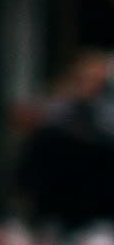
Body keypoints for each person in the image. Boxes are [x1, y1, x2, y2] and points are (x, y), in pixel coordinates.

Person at [13, 48, 114, 230]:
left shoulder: (103, 119)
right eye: (85, 79)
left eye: (98, 82)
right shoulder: (54, 117)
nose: (90, 87)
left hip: (98, 216)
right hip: (54, 213)